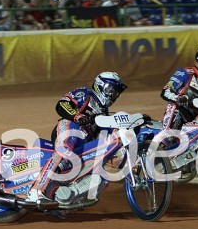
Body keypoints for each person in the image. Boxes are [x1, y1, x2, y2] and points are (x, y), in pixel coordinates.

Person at [33, 72, 127, 202]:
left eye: (115, 92)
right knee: (65, 149)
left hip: (83, 145)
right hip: (70, 127)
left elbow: (108, 137)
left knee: (102, 176)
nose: (112, 95)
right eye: (110, 89)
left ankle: (67, 198)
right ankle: (38, 190)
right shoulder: (85, 94)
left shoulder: (104, 114)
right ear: (100, 86)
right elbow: (62, 104)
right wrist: (76, 115)